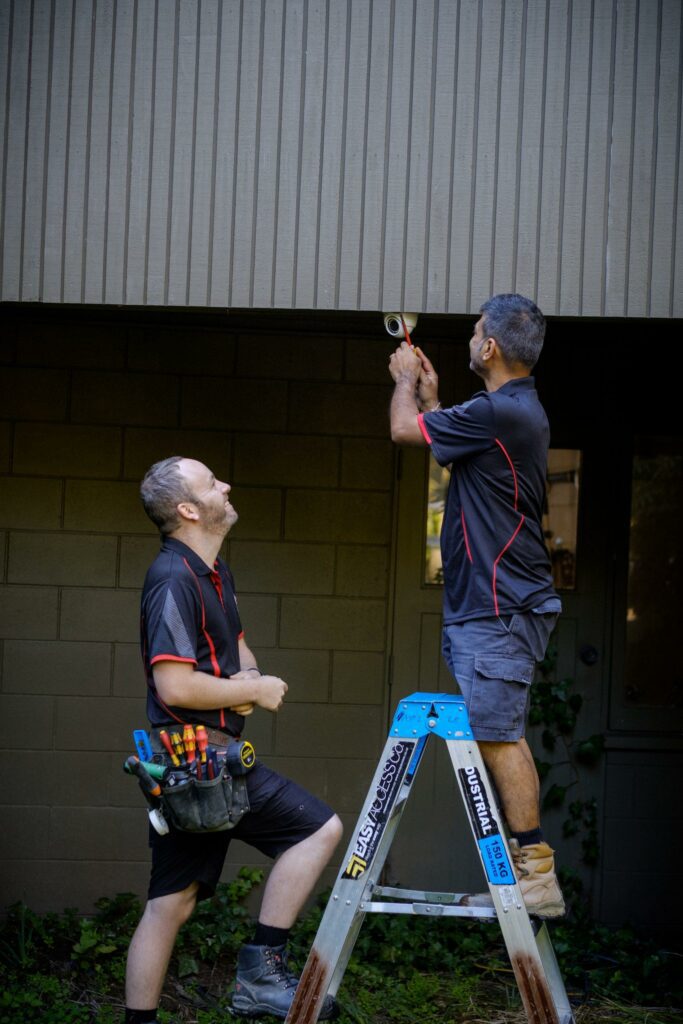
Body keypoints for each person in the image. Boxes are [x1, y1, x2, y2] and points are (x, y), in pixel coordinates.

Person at [124, 456, 343, 1023]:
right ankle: (260, 972)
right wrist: (252, 690)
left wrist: (247, 681)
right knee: (317, 829)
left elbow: (238, 650)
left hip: (206, 758)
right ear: (188, 509)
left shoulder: (214, 571)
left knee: (171, 903)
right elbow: (174, 684)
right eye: (211, 483)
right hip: (196, 760)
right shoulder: (173, 578)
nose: (226, 485)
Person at [388, 293, 565, 918]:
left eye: (473, 332)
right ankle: (527, 871)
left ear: (489, 347)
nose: (469, 340)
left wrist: (404, 382)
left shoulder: (502, 412)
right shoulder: (504, 413)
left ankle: (537, 875)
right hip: (490, 605)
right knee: (496, 732)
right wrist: (434, 400)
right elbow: (444, 441)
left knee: (498, 735)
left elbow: (403, 432)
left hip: (502, 607)